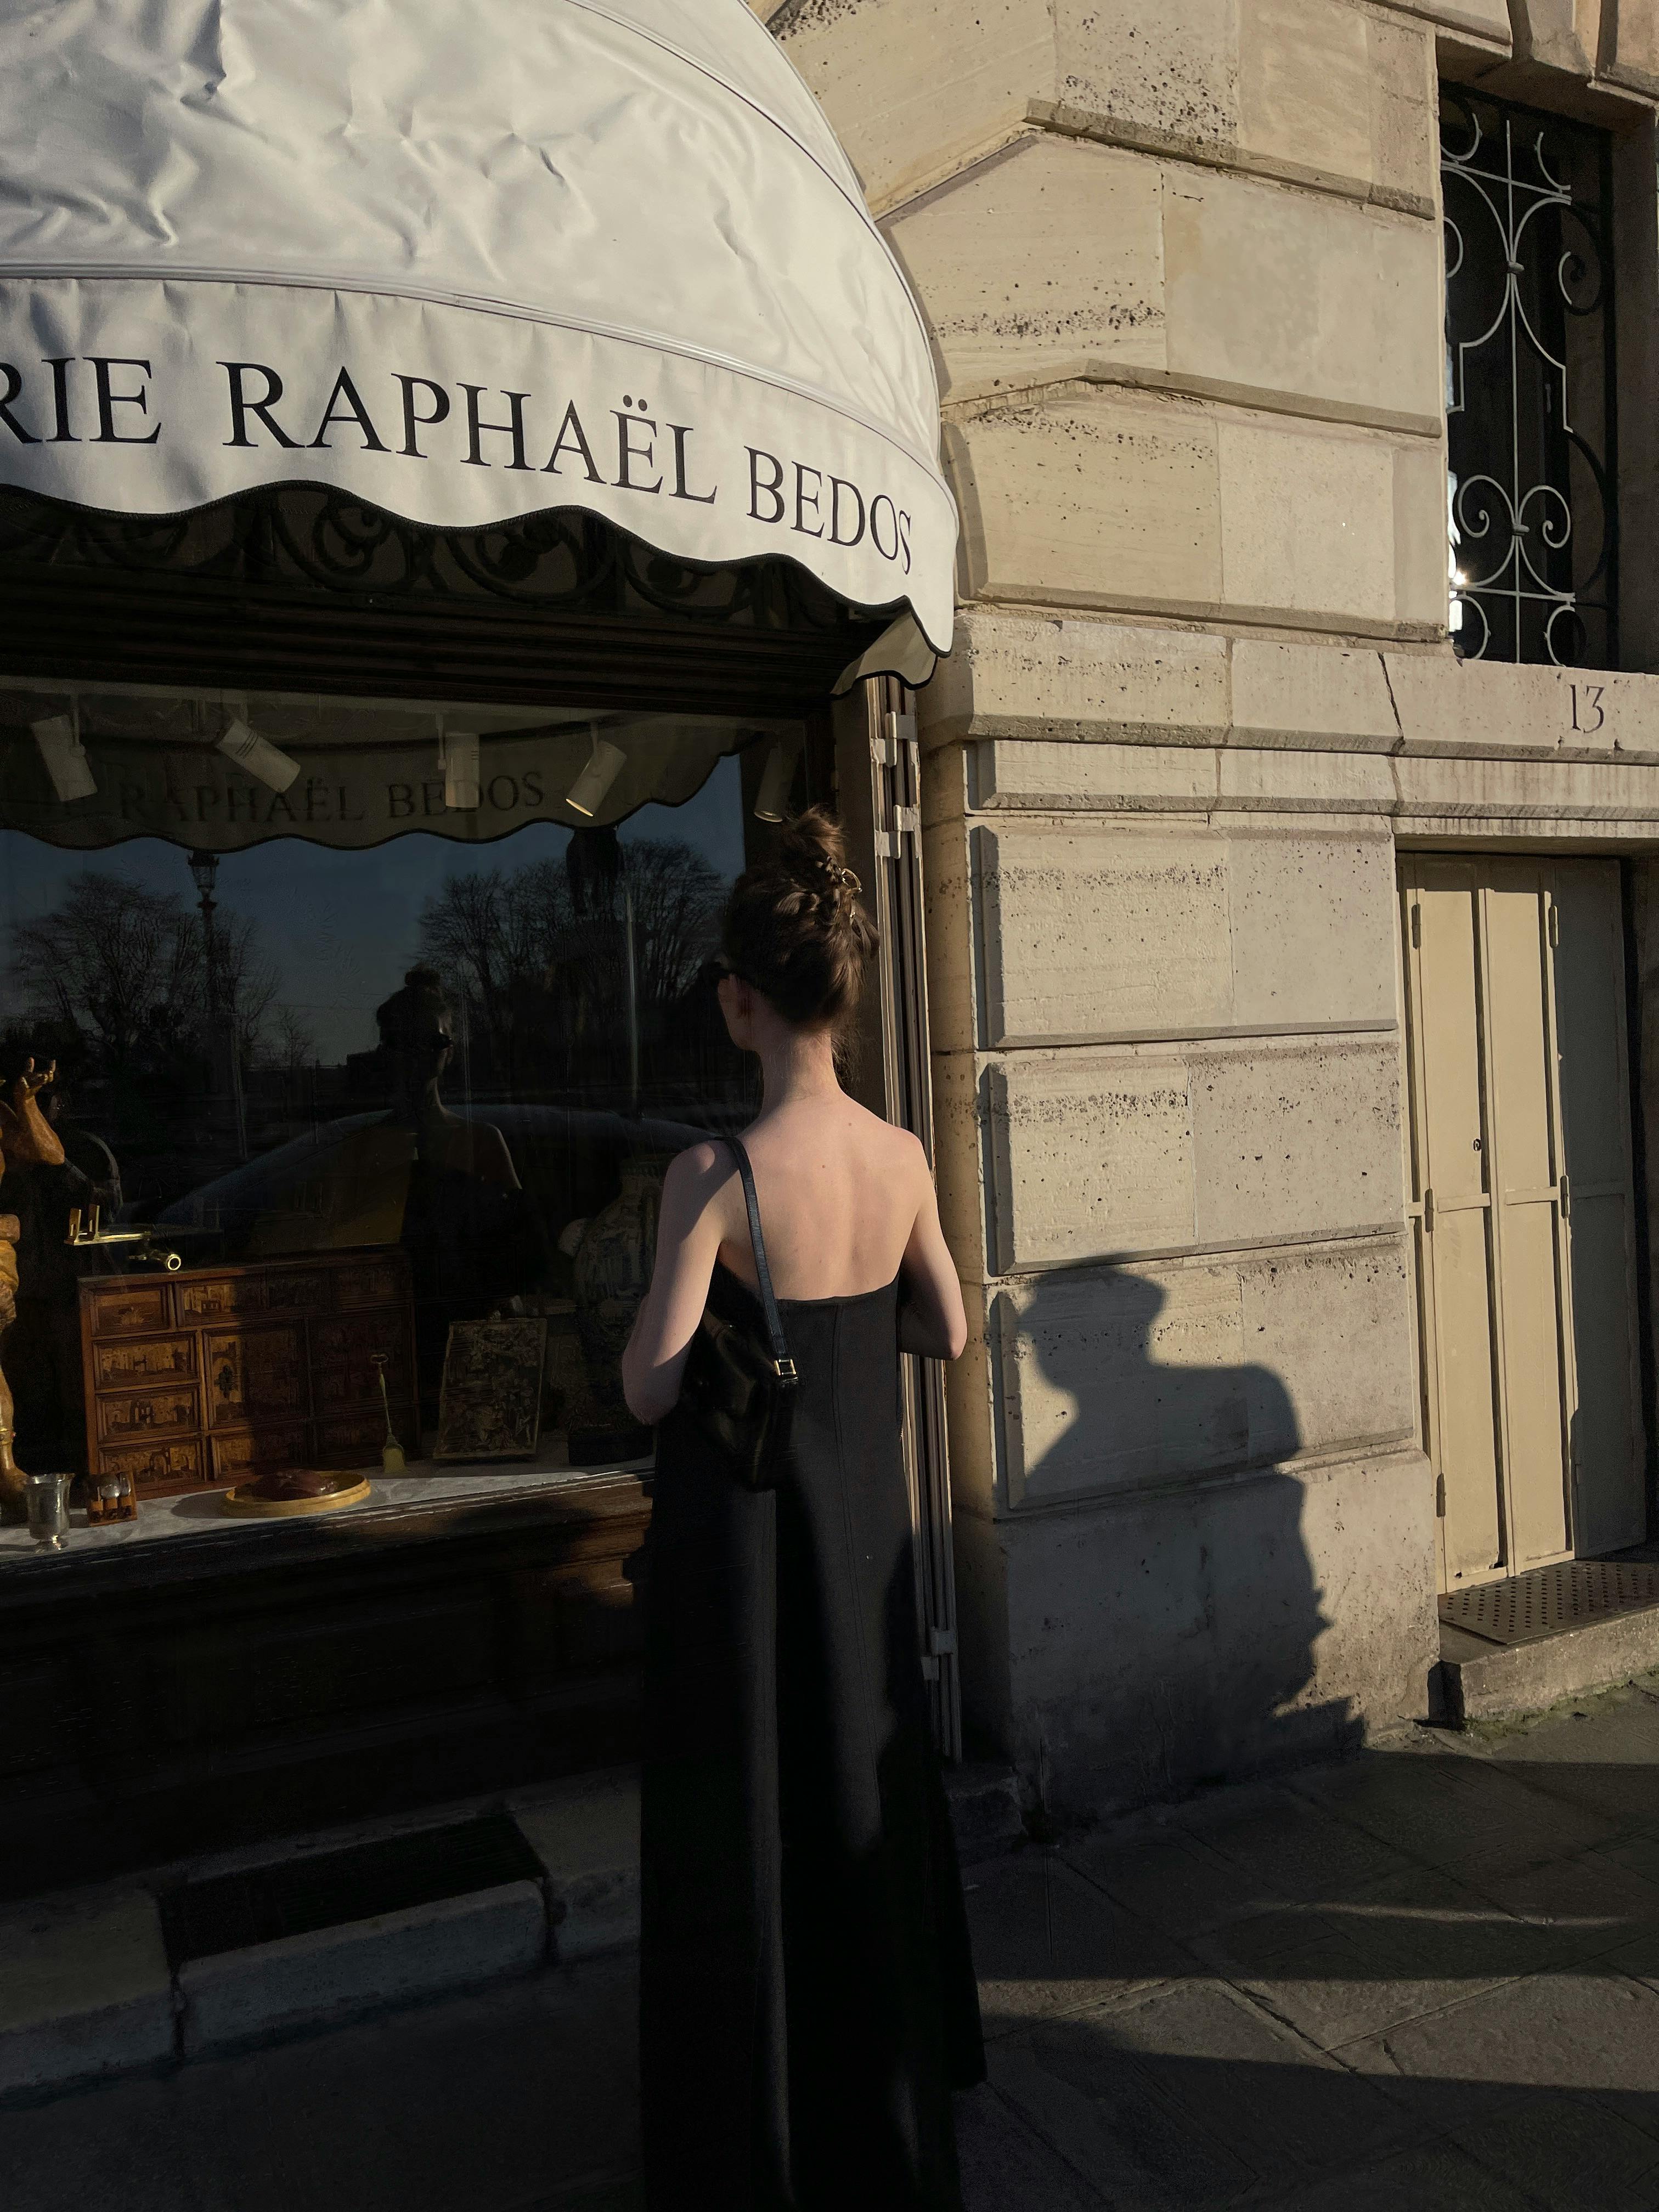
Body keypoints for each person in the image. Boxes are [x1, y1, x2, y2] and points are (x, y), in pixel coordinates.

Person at [622, 810, 985, 2212]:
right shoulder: (898, 1153)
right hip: (867, 1541)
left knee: (752, 1824)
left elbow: (655, 1388)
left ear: (739, 999)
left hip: (749, 1557)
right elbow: (948, 1329)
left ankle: (763, 2135)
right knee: (865, 1798)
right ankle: (881, 2109)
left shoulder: (710, 1177)